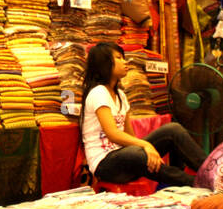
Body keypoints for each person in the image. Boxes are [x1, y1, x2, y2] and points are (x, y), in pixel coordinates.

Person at [80, 42, 205, 187]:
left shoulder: (120, 94)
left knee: (173, 130)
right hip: (105, 164)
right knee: (140, 155)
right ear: (105, 64)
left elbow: (129, 135)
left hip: (126, 156)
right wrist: (145, 146)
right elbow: (112, 134)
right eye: (119, 58)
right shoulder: (98, 92)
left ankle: (210, 172)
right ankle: (195, 183)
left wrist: (144, 147)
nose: (124, 62)